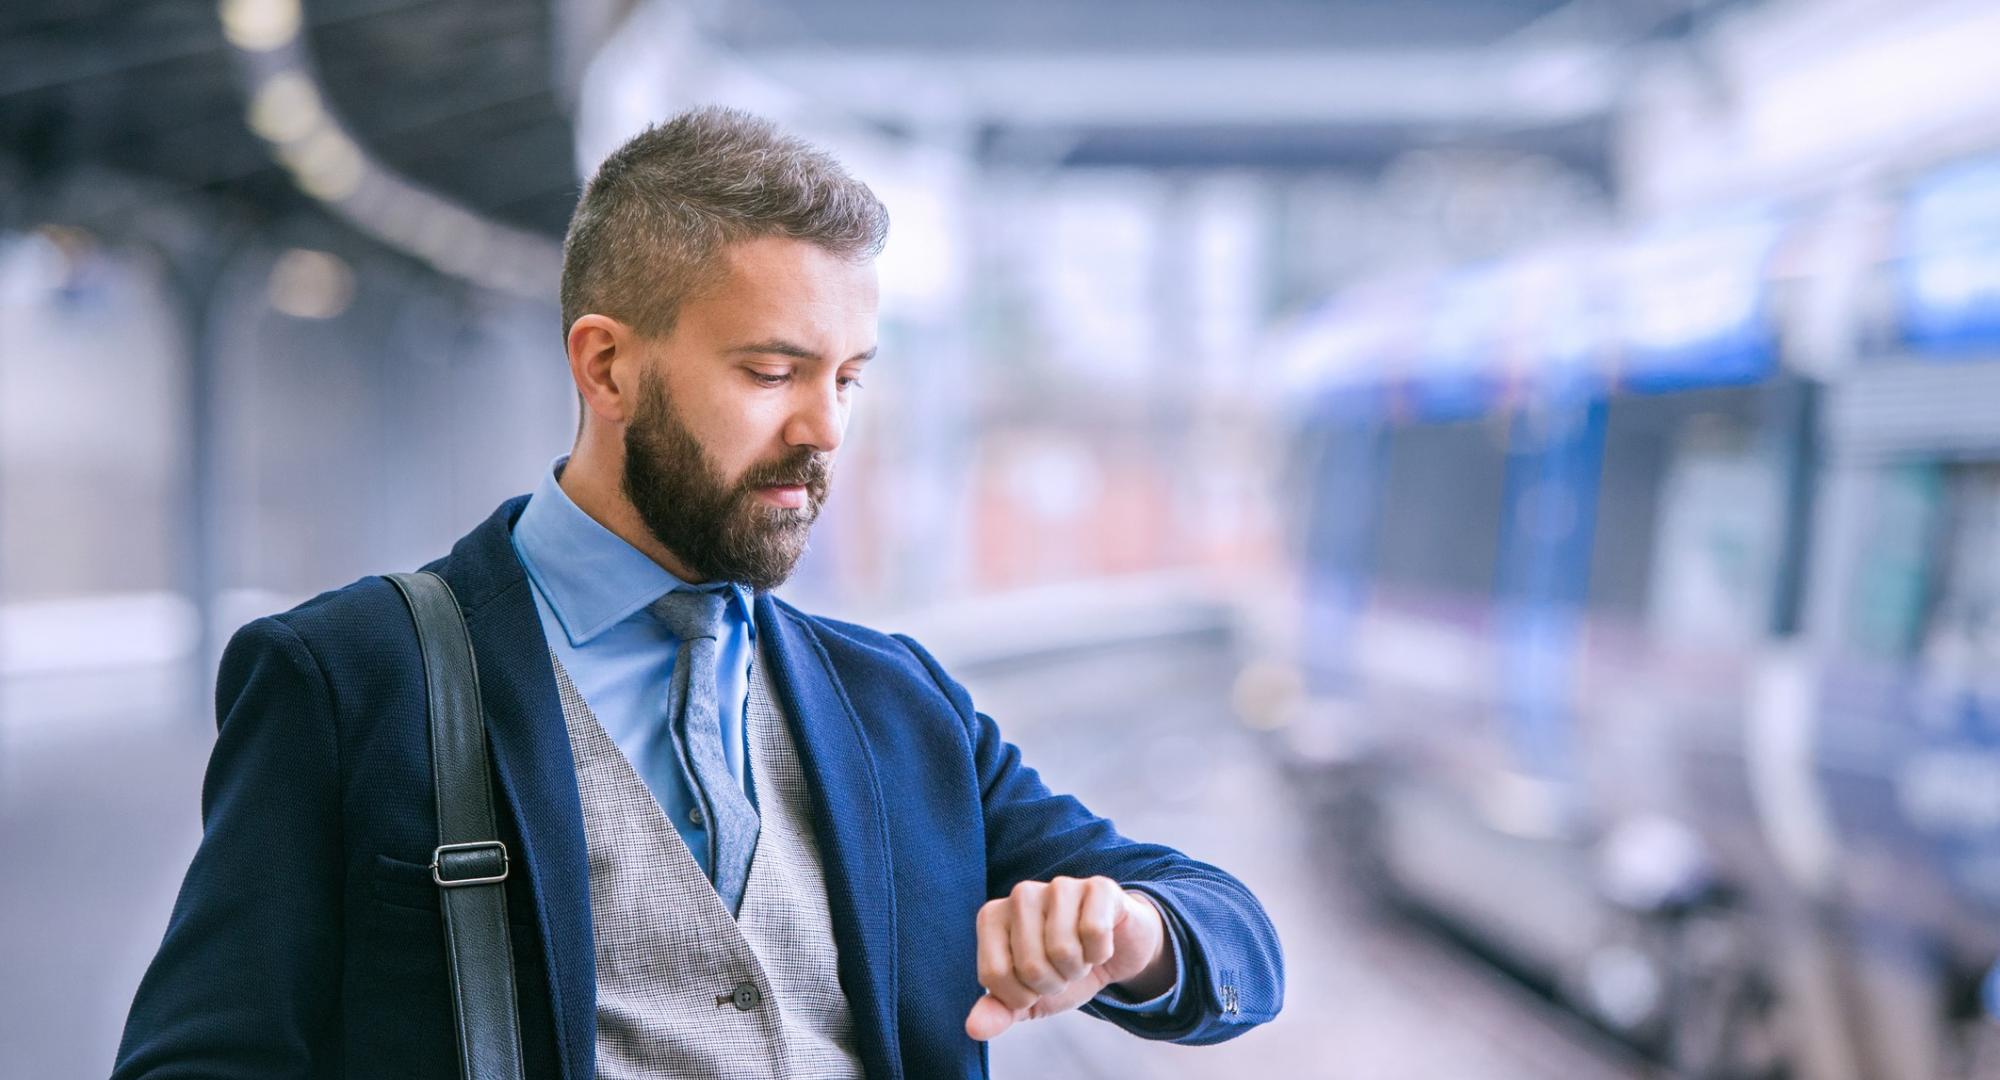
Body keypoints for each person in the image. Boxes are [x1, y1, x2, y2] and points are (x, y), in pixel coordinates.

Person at [111, 106, 1283, 1080]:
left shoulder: (895, 702)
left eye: (848, 378)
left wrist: (1128, 935)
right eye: (771, 371)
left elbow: (1232, 941)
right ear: (605, 364)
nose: (822, 429)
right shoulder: (345, 679)